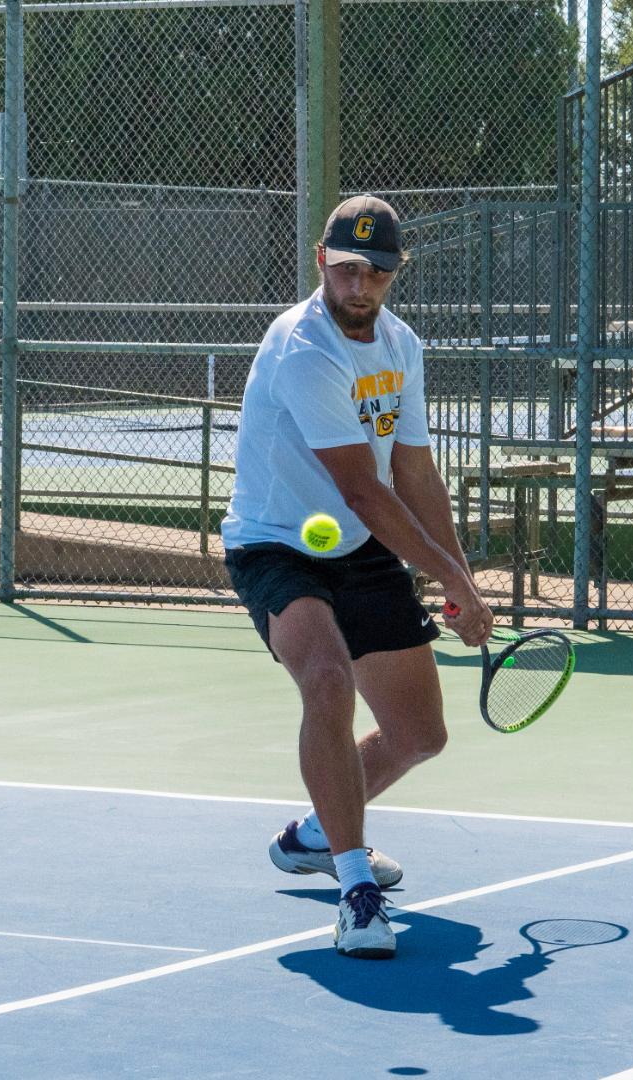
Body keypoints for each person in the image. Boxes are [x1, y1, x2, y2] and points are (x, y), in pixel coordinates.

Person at [219, 195, 495, 960]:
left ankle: (314, 834)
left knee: (419, 734)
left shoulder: (401, 346)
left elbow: (415, 473)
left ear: (396, 272)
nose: (358, 285)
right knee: (327, 679)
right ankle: (355, 890)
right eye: (345, 269)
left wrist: (461, 580)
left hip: (356, 545)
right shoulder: (303, 348)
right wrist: (447, 575)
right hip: (275, 544)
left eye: (375, 272)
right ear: (321, 262)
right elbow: (365, 490)